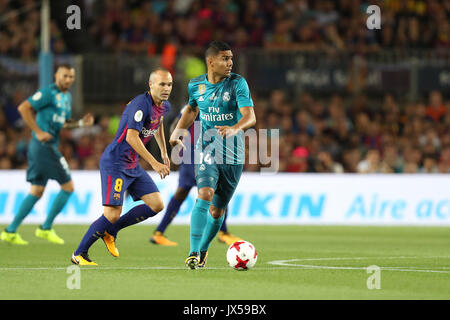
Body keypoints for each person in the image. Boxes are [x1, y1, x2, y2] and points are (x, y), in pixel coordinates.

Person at [71, 68, 172, 266]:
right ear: (151, 85)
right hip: (116, 163)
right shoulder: (140, 105)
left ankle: (112, 230)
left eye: (169, 84)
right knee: (112, 214)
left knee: (157, 204)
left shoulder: (164, 106)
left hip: (132, 164)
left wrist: (164, 151)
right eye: (162, 84)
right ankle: (79, 253)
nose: (166, 88)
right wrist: (154, 162)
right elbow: (131, 137)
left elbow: (158, 123)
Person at [170, 41, 256, 269]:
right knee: (205, 194)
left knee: (218, 211)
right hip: (207, 148)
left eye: (231, 58)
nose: (230, 63)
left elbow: (250, 116)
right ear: (211, 61)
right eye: (225, 58)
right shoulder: (196, 85)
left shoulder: (238, 83)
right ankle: (192, 252)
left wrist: (235, 128)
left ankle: (204, 249)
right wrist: (178, 131)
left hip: (233, 154)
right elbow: (191, 109)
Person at [0, 64, 94, 245]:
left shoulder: (66, 97)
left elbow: (63, 124)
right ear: (57, 75)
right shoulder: (48, 92)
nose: (69, 80)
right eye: (65, 76)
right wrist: (38, 131)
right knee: (68, 187)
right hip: (44, 146)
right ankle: (45, 228)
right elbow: (24, 108)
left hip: (44, 147)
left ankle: (10, 231)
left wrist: (81, 123)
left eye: (71, 77)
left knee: (37, 190)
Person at [150, 108, 242, 246]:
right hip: (197, 155)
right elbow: (177, 124)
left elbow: (176, 124)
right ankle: (223, 233)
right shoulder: (199, 104)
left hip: (194, 155)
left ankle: (159, 232)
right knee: (216, 189)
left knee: (182, 192)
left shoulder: (206, 104)